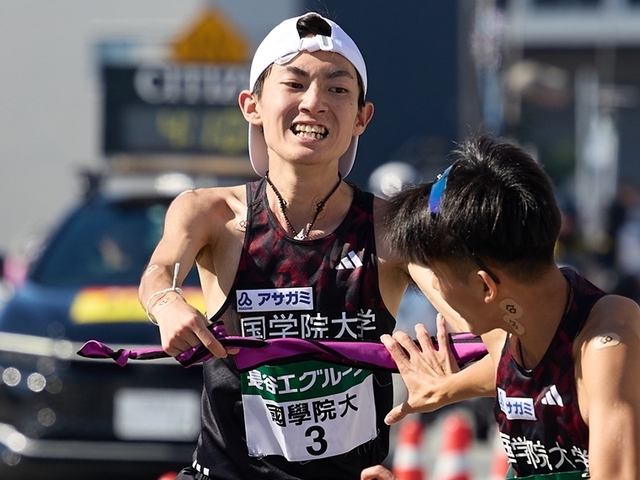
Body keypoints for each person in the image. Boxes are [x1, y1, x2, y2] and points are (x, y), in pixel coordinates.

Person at [138, 12, 484, 480]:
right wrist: (166, 304)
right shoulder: (211, 213)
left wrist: (448, 383)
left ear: (363, 117)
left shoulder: (390, 228)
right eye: (295, 84)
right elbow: (160, 272)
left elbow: (484, 331)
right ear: (252, 105)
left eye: (338, 89)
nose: (315, 103)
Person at [363, 134, 640, 479]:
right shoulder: (510, 329)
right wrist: (446, 388)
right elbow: (512, 372)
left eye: (438, 275)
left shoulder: (607, 343)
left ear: (485, 286)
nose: (432, 286)